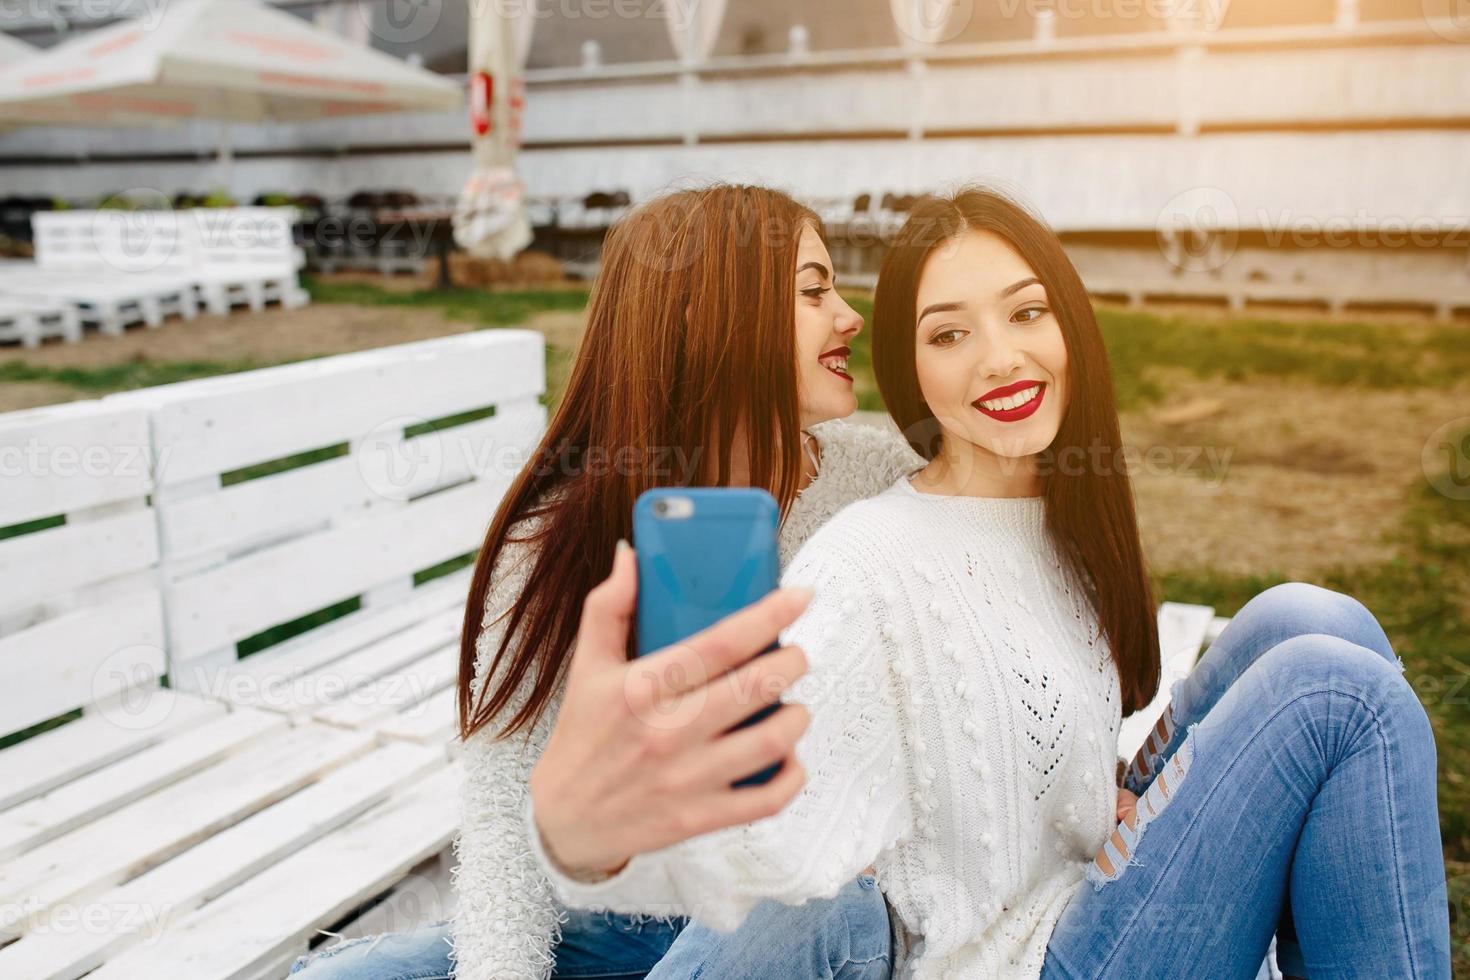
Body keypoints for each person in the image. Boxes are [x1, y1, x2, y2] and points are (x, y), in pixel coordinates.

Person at [526, 188, 1452, 979]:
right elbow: (762, 857)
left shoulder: (1064, 524)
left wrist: (1112, 801)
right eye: (950, 334)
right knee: (1339, 694)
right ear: (915, 372)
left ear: (1070, 327)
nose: (1001, 358)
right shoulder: (865, 566)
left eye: (1026, 313)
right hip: (1017, 959)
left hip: (1083, 890)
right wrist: (599, 835)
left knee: (1309, 618)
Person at [286, 183, 923, 980]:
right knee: (334, 979)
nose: (849, 315)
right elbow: (506, 813)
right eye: (812, 290)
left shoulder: (881, 486)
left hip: (799, 920)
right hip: (616, 926)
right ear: (707, 321)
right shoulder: (560, 534)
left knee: (808, 908)